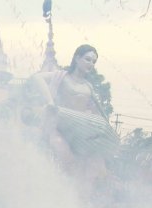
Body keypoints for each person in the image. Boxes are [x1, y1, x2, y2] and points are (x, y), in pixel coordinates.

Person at [31, 44, 119, 187]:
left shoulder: (88, 86)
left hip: (80, 132)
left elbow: (100, 113)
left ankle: (85, 198)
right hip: (60, 128)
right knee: (61, 150)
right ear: (77, 58)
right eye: (87, 59)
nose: (90, 64)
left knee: (96, 164)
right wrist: (50, 102)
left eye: (93, 61)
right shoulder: (62, 76)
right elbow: (37, 78)